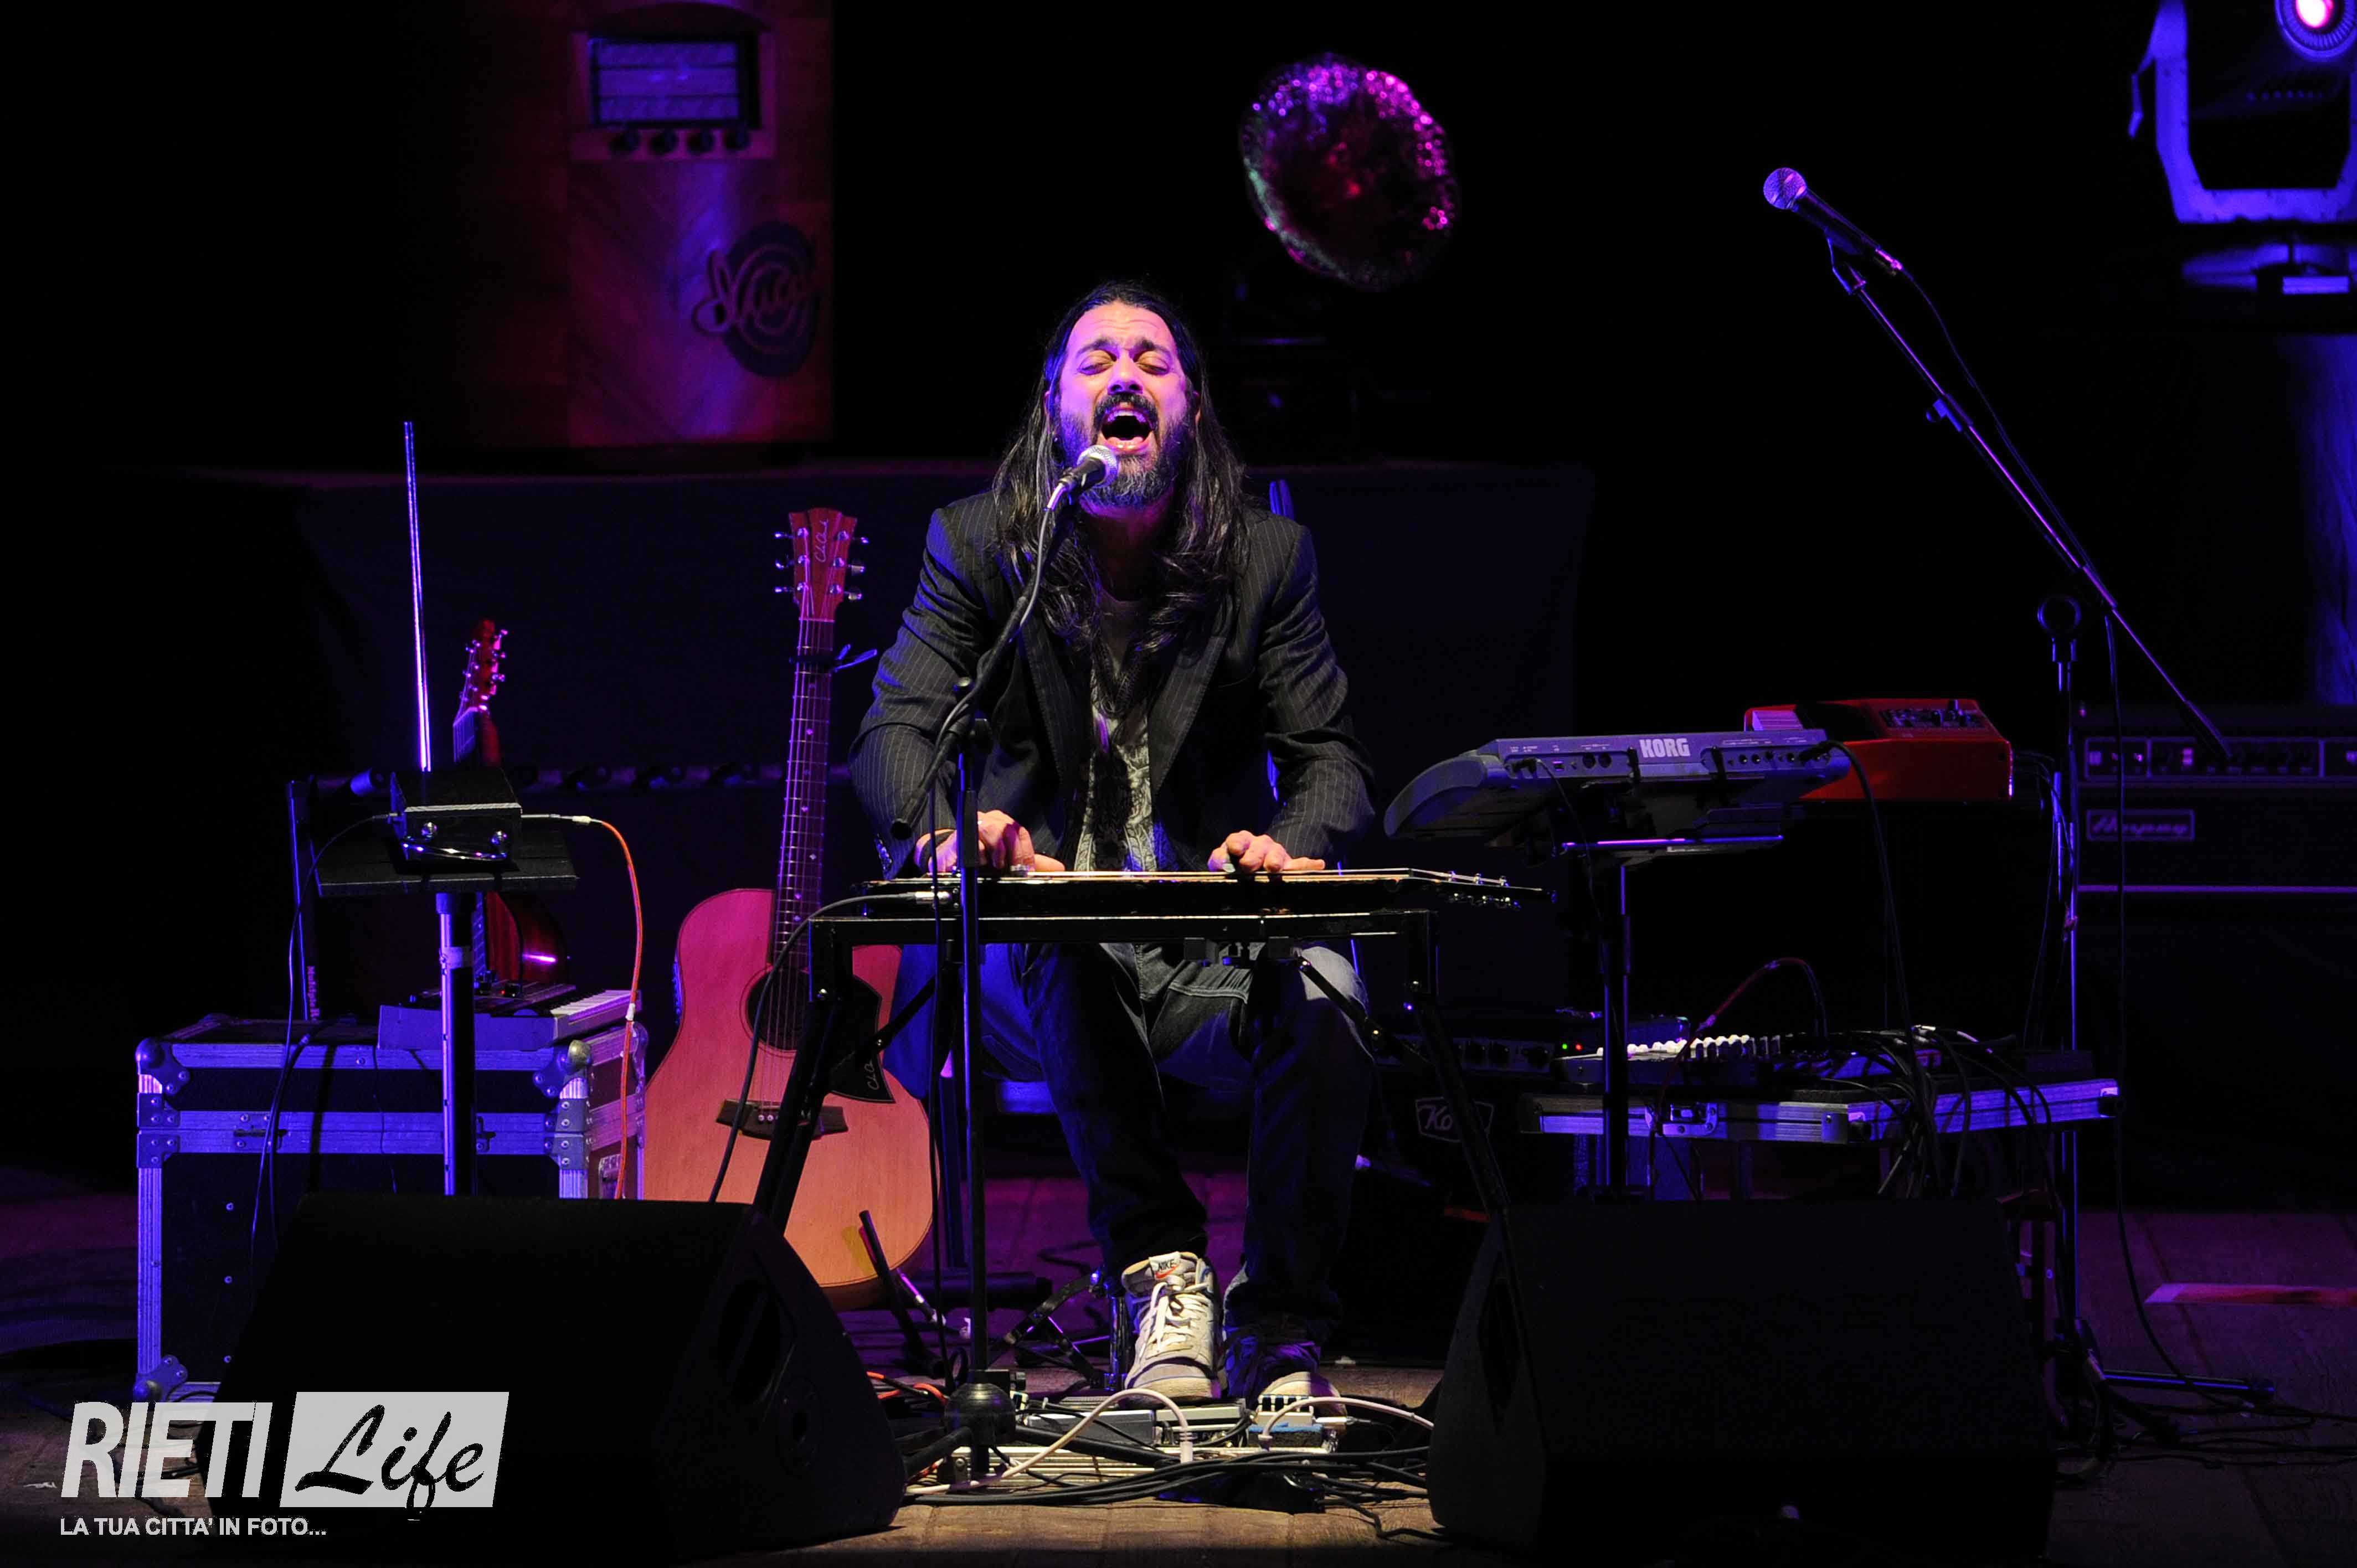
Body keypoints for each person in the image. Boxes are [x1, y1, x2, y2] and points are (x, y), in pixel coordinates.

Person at [850, 281, 1377, 1406]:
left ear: (1190, 408)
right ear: (1054, 409)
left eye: (1152, 360)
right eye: (1094, 362)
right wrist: (948, 832)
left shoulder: (1266, 558)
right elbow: (894, 735)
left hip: (1202, 958)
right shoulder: (979, 546)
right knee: (1065, 933)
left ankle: (1280, 1327)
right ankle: (1162, 1274)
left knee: (1329, 985)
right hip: (1029, 963)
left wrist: (1286, 844)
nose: (1124, 376)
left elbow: (1331, 761)